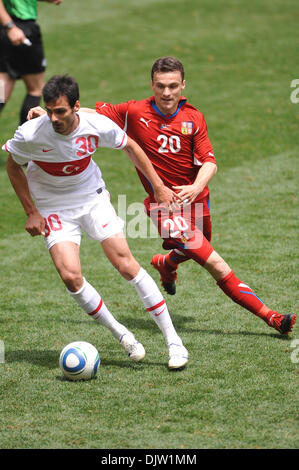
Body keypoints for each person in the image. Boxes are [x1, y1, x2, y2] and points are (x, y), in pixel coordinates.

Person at [27, 58, 296, 337]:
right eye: (160, 86)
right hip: (163, 207)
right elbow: (88, 112)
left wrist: (195, 187)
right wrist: (51, 115)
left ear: (183, 85)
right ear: (152, 85)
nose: (166, 93)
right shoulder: (133, 111)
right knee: (216, 263)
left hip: (196, 201)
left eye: (172, 86)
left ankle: (166, 263)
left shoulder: (194, 118)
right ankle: (272, 317)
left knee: (196, 249)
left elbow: (210, 162)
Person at [3, 74, 188, 370]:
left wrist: (158, 186)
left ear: (77, 107)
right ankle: (122, 335)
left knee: (126, 264)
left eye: (60, 111)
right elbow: (13, 166)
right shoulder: (31, 133)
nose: (53, 118)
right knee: (70, 277)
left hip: (91, 197)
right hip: (54, 207)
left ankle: (174, 342)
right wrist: (30, 211)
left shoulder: (96, 125)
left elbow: (130, 146)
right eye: (49, 111)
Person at [0, 0, 62, 125]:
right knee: (36, 89)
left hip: (6, 29)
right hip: (19, 27)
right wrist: (10, 26)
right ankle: (24, 140)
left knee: (3, 84)